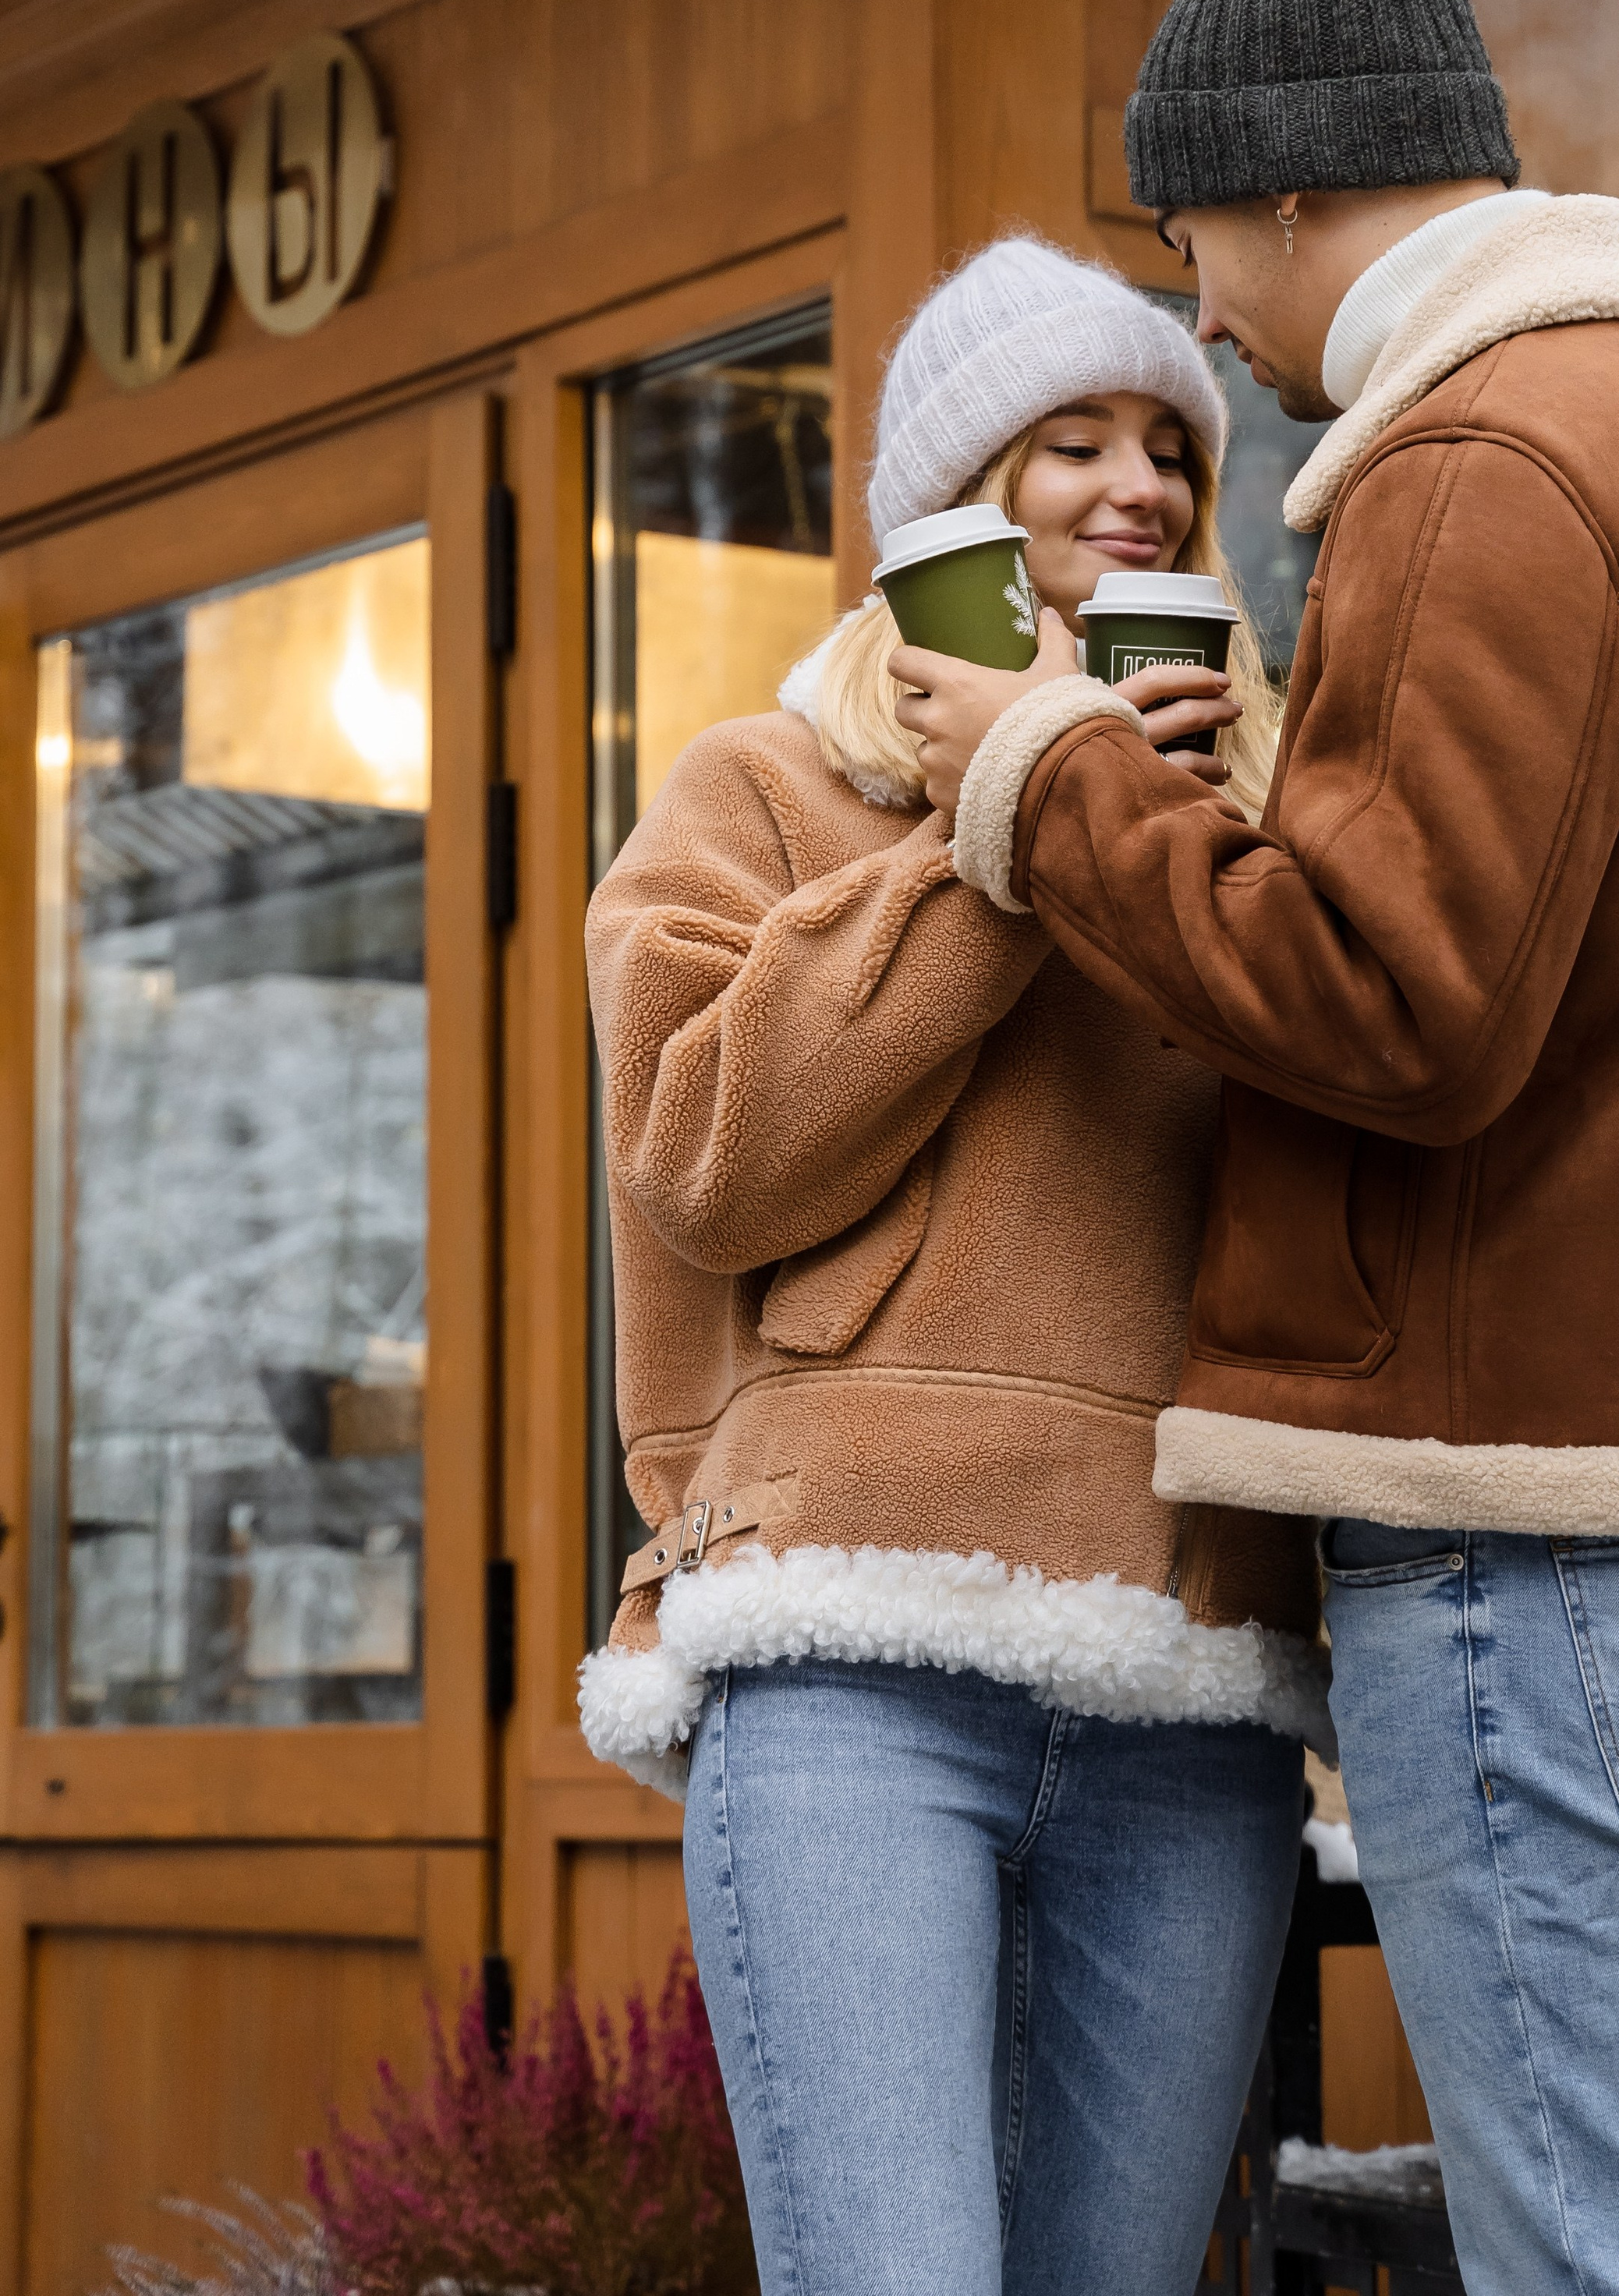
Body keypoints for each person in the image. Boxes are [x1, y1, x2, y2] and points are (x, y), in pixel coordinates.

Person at [891, 0, 1619, 2296]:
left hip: (1540, 1513)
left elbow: (1394, 997)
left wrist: (1050, 776)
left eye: (1186, 241)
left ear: (1276, 193)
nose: (1200, 323)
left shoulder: (1479, 462)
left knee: (1605, 2270)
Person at [579, 235, 1328, 2296]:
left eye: (1168, 448)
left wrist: (1156, 840)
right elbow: (703, 1163)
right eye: (1066, 443)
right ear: (948, 513)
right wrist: (1009, 827)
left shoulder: (1260, 839)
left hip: (1195, 1693)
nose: (1140, 486)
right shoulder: (765, 790)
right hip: (851, 1675)